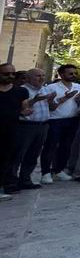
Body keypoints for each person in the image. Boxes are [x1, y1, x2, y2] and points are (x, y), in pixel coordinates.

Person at [40, 64, 80, 184]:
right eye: (70, 73)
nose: (73, 75)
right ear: (61, 74)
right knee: (50, 146)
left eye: (75, 73)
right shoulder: (51, 88)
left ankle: (59, 170)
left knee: (66, 146)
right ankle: (45, 172)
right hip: (55, 120)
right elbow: (49, 107)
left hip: (72, 119)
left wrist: (79, 101)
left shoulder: (79, 87)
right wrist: (64, 99)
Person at [9, 68, 53, 191]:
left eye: (43, 75)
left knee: (33, 155)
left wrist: (50, 100)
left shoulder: (45, 89)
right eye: (38, 76)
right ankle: (11, 181)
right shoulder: (22, 90)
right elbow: (19, 108)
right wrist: (35, 100)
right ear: (28, 78)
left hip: (43, 125)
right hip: (26, 127)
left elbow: (51, 107)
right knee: (18, 155)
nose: (41, 78)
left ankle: (25, 179)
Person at [0, 63, 30, 200]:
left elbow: (24, 109)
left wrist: (26, 111)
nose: (10, 76)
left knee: (7, 160)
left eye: (13, 74)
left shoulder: (21, 91)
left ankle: (3, 187)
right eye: (6, 74)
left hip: (11, 130)